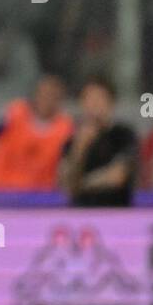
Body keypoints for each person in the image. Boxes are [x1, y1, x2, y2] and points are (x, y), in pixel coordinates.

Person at [0, 74, 75, 191]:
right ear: (35, 94)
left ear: (60, 100)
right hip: (1, 191)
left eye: (53, 96)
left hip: (40, 196)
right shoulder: (13, 115)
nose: (47, 99)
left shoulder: (66, 129)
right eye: (43, 94)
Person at [60, 76, 138, 207]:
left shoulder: (123, 135)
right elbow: (66, 186)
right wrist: (79, 150)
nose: (94, 104)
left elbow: (117, 177)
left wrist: (80, 184)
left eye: (99, 98)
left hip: (115, 212)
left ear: (111, 103)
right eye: (88, 99)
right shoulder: (72, 141)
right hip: (80, 214)